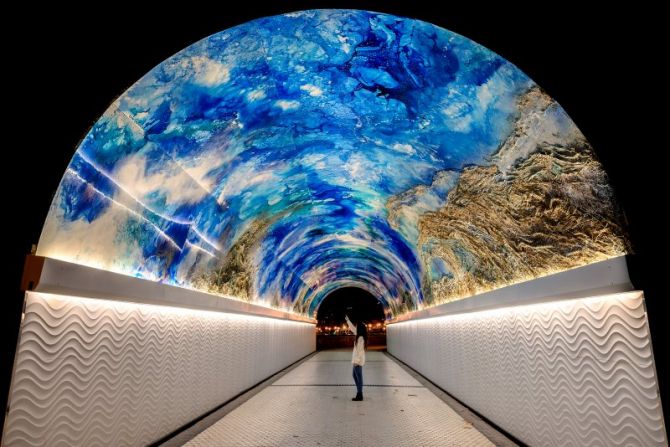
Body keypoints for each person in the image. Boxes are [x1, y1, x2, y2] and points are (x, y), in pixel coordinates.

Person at [345, 314, 367, 401]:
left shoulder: (361, 338)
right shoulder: (358, 335)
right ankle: (359, 392)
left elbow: (360, 351)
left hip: (358, 361)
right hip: (356, 360)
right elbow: (352, 328)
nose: (356, 327)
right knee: (355, 375)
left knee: (358, 376)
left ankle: (360, 394)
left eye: (357, 326)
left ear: (360, 328)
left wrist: (356, 362)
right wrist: (347, 320)